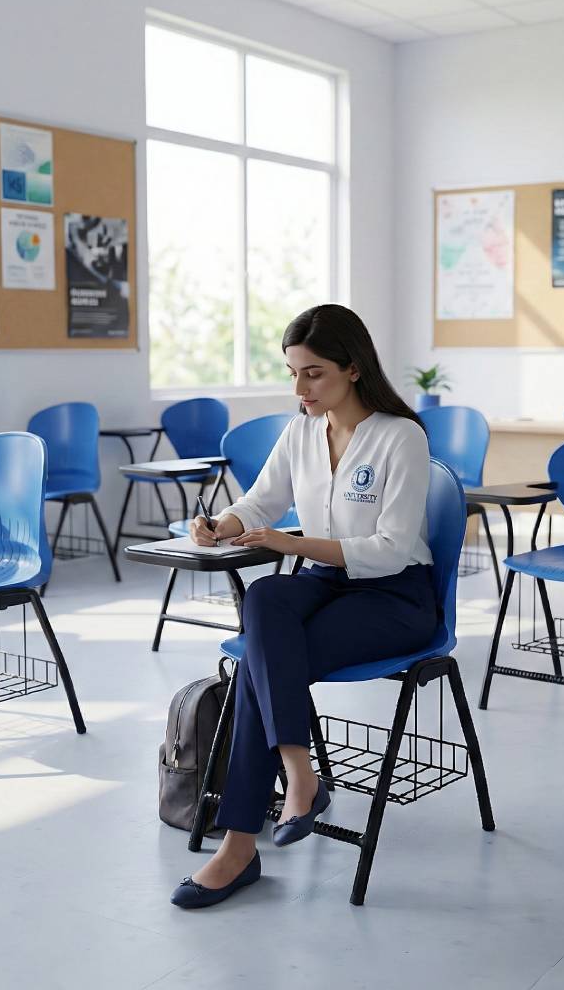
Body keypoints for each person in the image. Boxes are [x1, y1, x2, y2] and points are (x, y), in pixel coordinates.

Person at [171, 304, 437, 909]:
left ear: (353, 368)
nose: (300, 389)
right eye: (293, 373)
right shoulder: (301, 432)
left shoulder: (401, 436)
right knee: (266, 598)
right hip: (325, 582)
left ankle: (239, 848)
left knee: (259, 664)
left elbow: (391, 549)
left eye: (313, 373)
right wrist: (221, 524)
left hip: (395, 593)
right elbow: (261, 501)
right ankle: (299, 774)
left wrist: (290, 544)